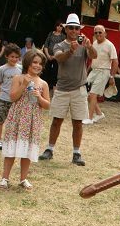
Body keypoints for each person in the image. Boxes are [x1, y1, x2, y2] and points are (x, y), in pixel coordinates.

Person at [39, 13, 97, 167]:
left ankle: (76, 153)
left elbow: (94, 56)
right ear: (66, 29)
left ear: (79, 30)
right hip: (62, 88)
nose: (74, 30)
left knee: (78, 123)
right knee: (56, 120)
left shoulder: (84, 44)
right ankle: (50, 149)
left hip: (79, 88)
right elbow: (59, 58)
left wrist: (89, 46)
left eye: (76, 28)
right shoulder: (59, 45)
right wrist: (71, 50)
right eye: (71, 27)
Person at [0, 49, 50, 190]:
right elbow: (12, 97)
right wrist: (24, 85)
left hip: (33, 120)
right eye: (34, 62)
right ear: (28, 63)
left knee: (27, 149)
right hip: (18, 118)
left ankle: (23, 178)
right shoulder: (18, 78)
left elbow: (47, 105)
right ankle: (5, 178)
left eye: (40, 63)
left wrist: (39, 97)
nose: (37, 66)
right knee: (12, 148)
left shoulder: (43, 84)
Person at [84, 25, 119, 124]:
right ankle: (99, 114)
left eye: (100, 32)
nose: (98, 34)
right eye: (96, 32)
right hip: (94, 71)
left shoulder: (110, 45)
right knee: (87, 94)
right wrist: (87, 72)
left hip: (104, 71)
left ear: (105, 33)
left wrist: (112, 77)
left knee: (93, 94)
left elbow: (115, 62)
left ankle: (89, 118)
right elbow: (93, 61)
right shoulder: (94, 43)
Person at [0, 43, 22, 150]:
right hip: (3, 99)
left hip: (16, 100)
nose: (14, 59)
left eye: (16, 57)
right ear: (6, 56)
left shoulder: (21, 69)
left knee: (14, 122)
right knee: (0, 120)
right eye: (12, 56)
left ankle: (11, 140)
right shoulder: (2, 69)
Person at [42, 21, 65, 92]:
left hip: (57, 56)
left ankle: (54, 88)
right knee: (46, 71)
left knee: (55, 72)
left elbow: (63, 48)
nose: (59, 27)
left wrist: (55, 56)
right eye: (58, 25)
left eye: (61, 26)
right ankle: (44, 87)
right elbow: (46, 45)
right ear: (56, 26)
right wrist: (48, 55)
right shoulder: (51, 34)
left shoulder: (63, 36)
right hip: (48, 55)